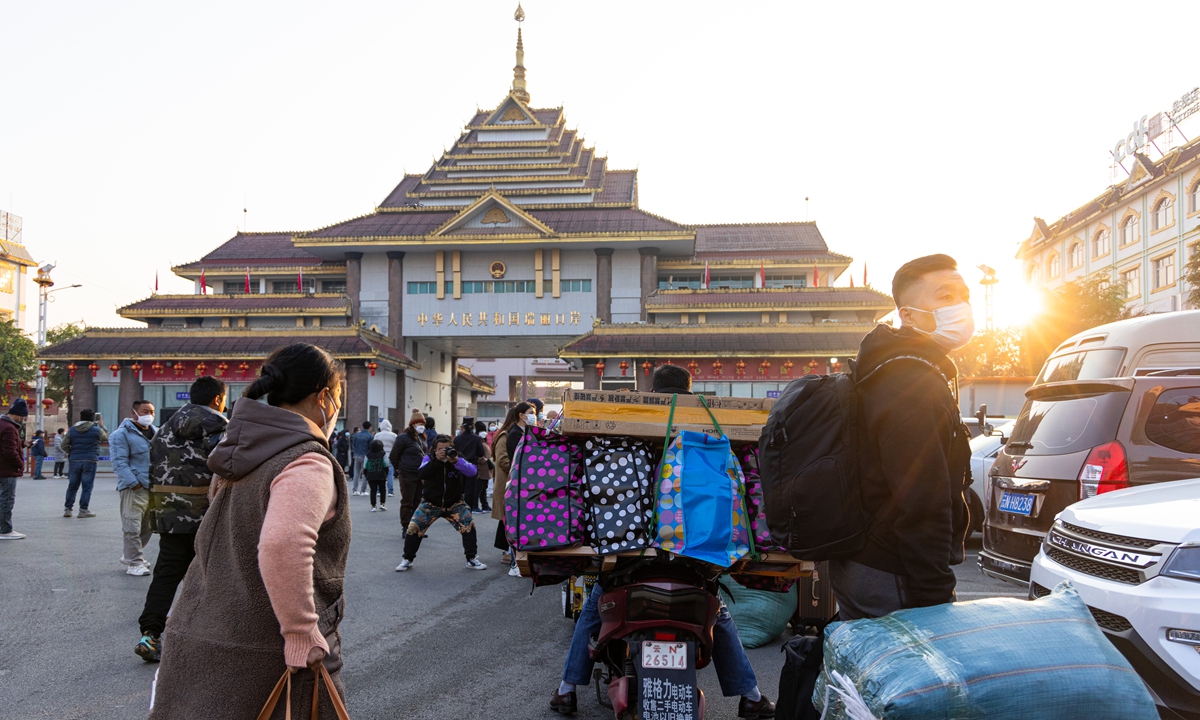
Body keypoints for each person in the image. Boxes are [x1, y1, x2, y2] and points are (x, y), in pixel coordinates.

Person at [550, 365, 775, 719]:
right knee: (719, 616)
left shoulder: (635, 417)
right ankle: (752, 696)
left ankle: (566, 691)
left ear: (653, 389)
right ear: (689, 387)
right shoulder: (709, 421)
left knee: (593, 609)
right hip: (694, 562)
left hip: (628, 560)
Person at [148, 342, 350, 719]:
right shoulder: (306, 461)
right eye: (338, 395)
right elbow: (283, 543)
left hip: (199, 631)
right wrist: (300, 630)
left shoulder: (240, 453)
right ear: (324, 397)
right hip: (265, 653)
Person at [830, 254, 973, 620]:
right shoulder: (911, 379)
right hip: (891, 568)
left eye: (963, 295)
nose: (960, 306)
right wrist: (935, 589)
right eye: (945, 296)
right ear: (907, 314)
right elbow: (922, 496)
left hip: (867, 559)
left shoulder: (893, 364)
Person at [135, 376, 228, 663]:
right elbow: (227, 467)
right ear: (217, 399)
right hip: (206, 515)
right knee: (216, 578)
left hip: (168, 512)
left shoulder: (163, 428)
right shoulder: (220, 427)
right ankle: (209, 639)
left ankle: (150, 634)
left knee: (166, 575)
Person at [395, 435, 486, 572]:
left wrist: (456, 461)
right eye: (440, 449)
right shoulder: (429, 458)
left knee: (468, 525)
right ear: (434, 449)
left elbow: (472, 471)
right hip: (431, 503)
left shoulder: (458, 458)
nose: (444, 451)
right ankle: (407, 559)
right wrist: (436, 460)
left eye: (447, 448)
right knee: (414, 527)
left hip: (455, 503)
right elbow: (421, 473)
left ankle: (471, 559)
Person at [109, 399, 157, 576]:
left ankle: (131, 554)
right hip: (135, 487)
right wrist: (133, 483)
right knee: (132, 525)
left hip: (153, 487)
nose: (149, 416)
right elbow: (119, 463)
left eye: (152, 412)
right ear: (134, 413)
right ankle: (134, 563)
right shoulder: (120, 435)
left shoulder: (157, 433)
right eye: (145, 412)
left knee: (149, 525)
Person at [491, 402, 532, 577]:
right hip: (508, 483)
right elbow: (502, 461)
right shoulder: (506, 435)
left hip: (514, 481)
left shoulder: (521, 433)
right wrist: (519, 471)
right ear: (521, 415)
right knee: (508, 519)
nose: (534, 416)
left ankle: (509, 553)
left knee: (508, 519)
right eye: (531, 412)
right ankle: (509, 555)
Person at [62, 408, 108, 518]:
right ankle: (83, 510)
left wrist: (72, 453)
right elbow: (105, 438)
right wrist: (102, 425)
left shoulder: (72, 430)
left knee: (72, 486)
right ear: (93, 418)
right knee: (87, 486)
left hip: (74, 460)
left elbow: (63, 445)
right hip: (90, 459)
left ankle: (68, 509)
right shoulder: (96, 430)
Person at [390, 410, 428, 530]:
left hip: (420, 474)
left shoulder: (421, 438)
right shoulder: (403, 438)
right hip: (407, 474)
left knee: (418, 502)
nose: (422, 426)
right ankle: (406, 527)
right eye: (419, 424)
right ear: (413, 424)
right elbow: (394, 455)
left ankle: (416, 526)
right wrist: (400, 468)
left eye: (423, 424)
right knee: (408, 502)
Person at [0, 399, 28, 540]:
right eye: (23, 417)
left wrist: (22, 444)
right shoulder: (10, 428)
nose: (23, 420)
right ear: (17, 414)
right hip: (7, 469)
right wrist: (20, 464)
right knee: (6, 499)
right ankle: (5, 530)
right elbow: (9, 451)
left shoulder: (2, 424)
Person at [454, 417, 485, 512]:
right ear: (473, 427)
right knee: (470, 490)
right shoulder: (476, 439)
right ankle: (467, 511)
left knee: (458, 489)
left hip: (459, 465)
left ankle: (456, 510)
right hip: (471, 466)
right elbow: (481, 453)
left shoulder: (457, 439)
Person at [374, 419, 398, 497]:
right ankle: (390, 491)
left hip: (379, 455)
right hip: (390, 455)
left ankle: (378, 491)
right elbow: (396, 447)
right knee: (390, 474)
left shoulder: (377, 435)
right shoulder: (394, 435)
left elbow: (373, 445)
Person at [473, 421, 492, 512]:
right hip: (481, 468)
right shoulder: (477, 441)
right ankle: (475, 506)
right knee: (478, 489)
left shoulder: (483, 441)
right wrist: (483, 459)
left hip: (485, 467)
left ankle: (485, 505)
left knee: (483, 488)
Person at [364, 439, 388, 512]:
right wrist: (386, 473)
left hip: (371, 475)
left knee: (373, 490)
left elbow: (365, 466)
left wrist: (366, 474)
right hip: (381, 474)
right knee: (382, 489)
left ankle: (373, 505)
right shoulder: (383, 453)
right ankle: (382, 503)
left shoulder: (368, 454)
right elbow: (386, 464)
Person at [350, 422, 373, 496]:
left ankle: (355, 490)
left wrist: (354, 453)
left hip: (357, 455)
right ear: (369, 427)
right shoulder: (370, 436)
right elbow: (371, 447)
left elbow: (353, 445)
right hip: (365, 456)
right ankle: (363, 491)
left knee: (356, 473)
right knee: (365, 473)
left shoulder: (357, 435)